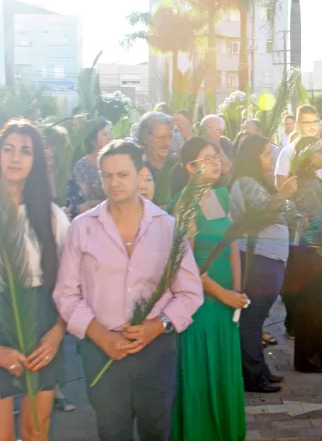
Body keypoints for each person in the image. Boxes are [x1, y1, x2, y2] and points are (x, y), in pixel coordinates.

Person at [54, 140, 203, 441]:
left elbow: (190, 293)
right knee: (112, 432)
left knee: (156, 431)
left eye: (122, 174)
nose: (114, 183)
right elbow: (66, 294)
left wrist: (157, 326)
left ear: (141, 174)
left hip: (156, 351)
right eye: (107, 175)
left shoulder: (168, 227)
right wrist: (100, 335)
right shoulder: (82, 228)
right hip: (101, 352)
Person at [170, 137, 247, 441]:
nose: (215, 161)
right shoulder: (183, 203)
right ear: (190, 167)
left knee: (223, 371)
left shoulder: (222, 196)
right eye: (206, 158)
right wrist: (223, 293)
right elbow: (185, 265)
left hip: (228, 304)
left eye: (215, 156)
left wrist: (237, 292)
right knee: (201, 371)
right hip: (200, 304)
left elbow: (233, 247)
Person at [0, 120, 70, 441]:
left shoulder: (53, 217)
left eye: (25, 151)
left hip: (43, 323)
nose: (16, 158)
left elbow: (70, 285)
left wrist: (57, 332)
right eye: (8, 148)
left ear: (36, 160)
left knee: (34, 431)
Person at [230, 134, 297, 393]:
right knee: (252, 321)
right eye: (267, 154)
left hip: (268, 258)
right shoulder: (245, 181)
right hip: (258, 259)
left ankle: (260, 370)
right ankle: (252, 377)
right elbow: (259, 215)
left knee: (255, 321)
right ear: (253, 157)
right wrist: (283, 195)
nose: (272, 158)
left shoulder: (258, 180)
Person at [287, 136, 322, 372]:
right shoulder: (303, 183)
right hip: (312, 251)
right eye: (318, 151)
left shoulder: (316, 179)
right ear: (307, 156)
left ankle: (320, 354)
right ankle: (306, 359)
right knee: (312, 306)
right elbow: (315, 217)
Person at [275, 105, 322, 189]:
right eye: (307, 123)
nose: (312, 127)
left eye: (315, 122)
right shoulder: (288, 152)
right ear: (297, 124)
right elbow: (281, 184)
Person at [137, 111, 178, 207]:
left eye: (170, 137)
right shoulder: (136, 168)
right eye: (161, 137)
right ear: (145, 139)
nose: (167, 143)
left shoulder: (177, 164)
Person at [73, 118, 112, 210]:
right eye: (105, 134)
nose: (110, 138)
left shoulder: (117, 161)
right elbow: (82, 202)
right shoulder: (82, 166)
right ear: (92, 139)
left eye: (110, 133)